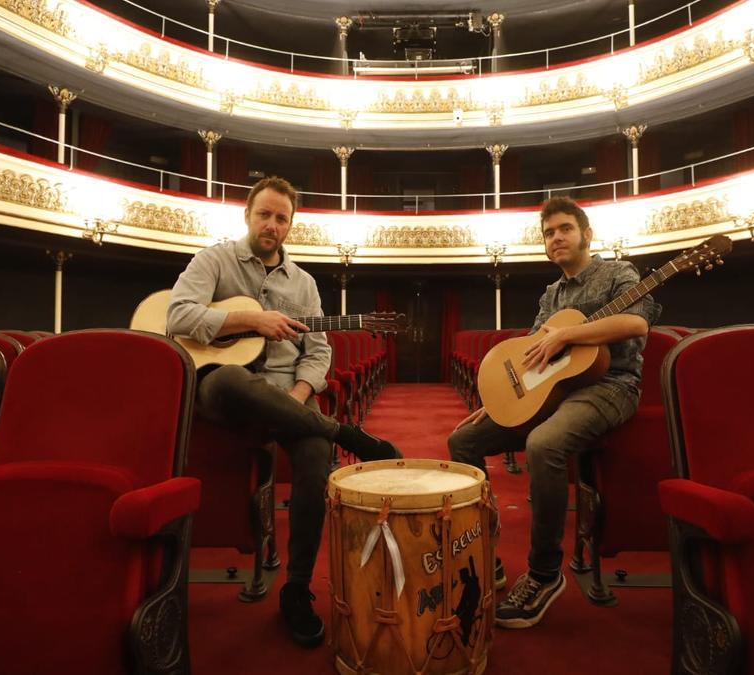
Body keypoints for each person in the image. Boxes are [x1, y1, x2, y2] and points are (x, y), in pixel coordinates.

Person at [166, 176, 402, 647]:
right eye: (264, 215)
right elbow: (178, 316)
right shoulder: (214, 261)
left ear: (291, 225)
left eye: (281, 218)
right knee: (230, 378)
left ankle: (296, 587)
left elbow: (318, 352)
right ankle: (346, 433)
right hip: (226, 392)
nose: (271, 225)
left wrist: (297, 398)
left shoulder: (304, 284)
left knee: (315, 457)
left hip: (288, 394)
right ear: (247, 215)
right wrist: (250, 319)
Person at [447, 197, 661, 629]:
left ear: (587, 234)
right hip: (557, 391)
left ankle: (544, 573)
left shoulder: (618, 273)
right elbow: (531, 353)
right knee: (463, 441)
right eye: (548, 233)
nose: (556, 238)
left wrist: (568, 335)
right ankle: (486, 549)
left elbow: (636, 324)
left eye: (565, 228)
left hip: (611, 386)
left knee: (542, 444)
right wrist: (497, 400)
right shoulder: (553, 294)